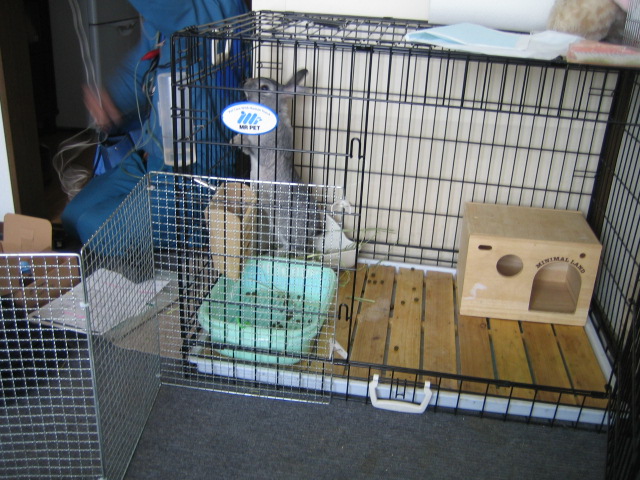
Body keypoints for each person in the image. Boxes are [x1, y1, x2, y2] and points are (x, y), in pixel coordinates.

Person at [62, 0, 247, 244]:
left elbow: (174, 12)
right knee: (72, 217)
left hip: (196, 177)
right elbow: (139, 69)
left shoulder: (220, 8)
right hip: (152, 161)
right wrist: (111, 100)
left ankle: (200, 235)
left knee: (94, 228)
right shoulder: (161, 23)